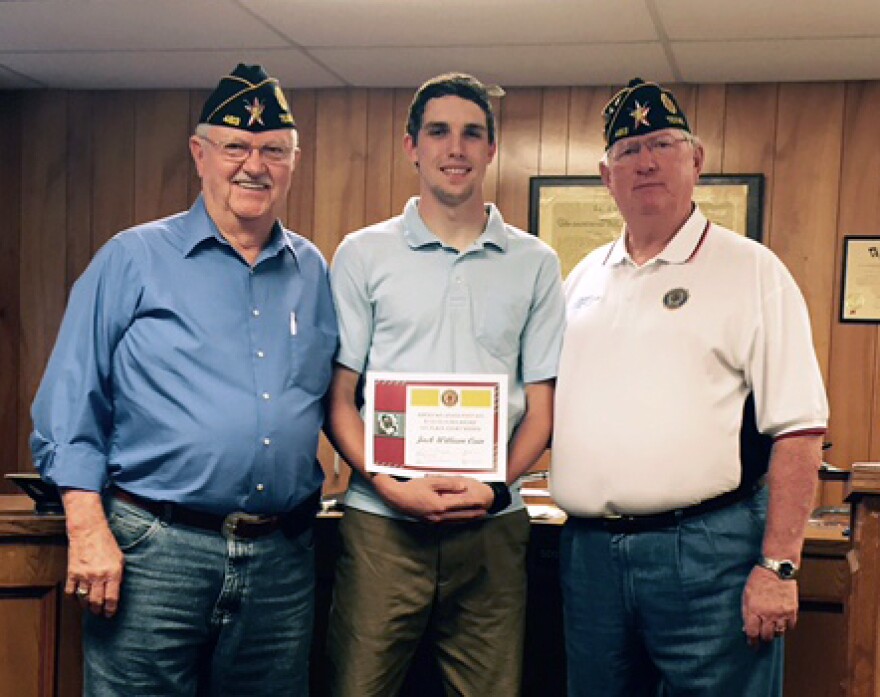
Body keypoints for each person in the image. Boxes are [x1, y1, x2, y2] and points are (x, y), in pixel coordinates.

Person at [30, 63, 337, 696]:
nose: (254, 164)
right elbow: (68, 407)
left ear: (293, 162)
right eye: (235, 146)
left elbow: (335, 398)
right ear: (200, 154)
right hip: (154, 552)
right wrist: (86, 531)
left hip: (281, 558)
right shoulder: (133, 257)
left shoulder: (313, 270)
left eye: (273, 150)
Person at [550, 77, 829, 697]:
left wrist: (779, 565)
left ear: (696, 161)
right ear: (606, 175)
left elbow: (800, 427)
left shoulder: (752, 269)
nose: (646, 161)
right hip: (590, 557)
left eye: (663, 144)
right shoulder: (583, 279)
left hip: (710, 554)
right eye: (628, 150)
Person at [324, 72, 566, 697]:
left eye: (472, 134)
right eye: (438, 132)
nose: (455, 148)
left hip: (493, 526)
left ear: (491, 149)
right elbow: (338, 398)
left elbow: (542, 410)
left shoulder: (536, 263)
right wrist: (389, 487)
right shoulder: (361, 254)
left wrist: (493, 486)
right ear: (411, 146)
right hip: (382, 525)